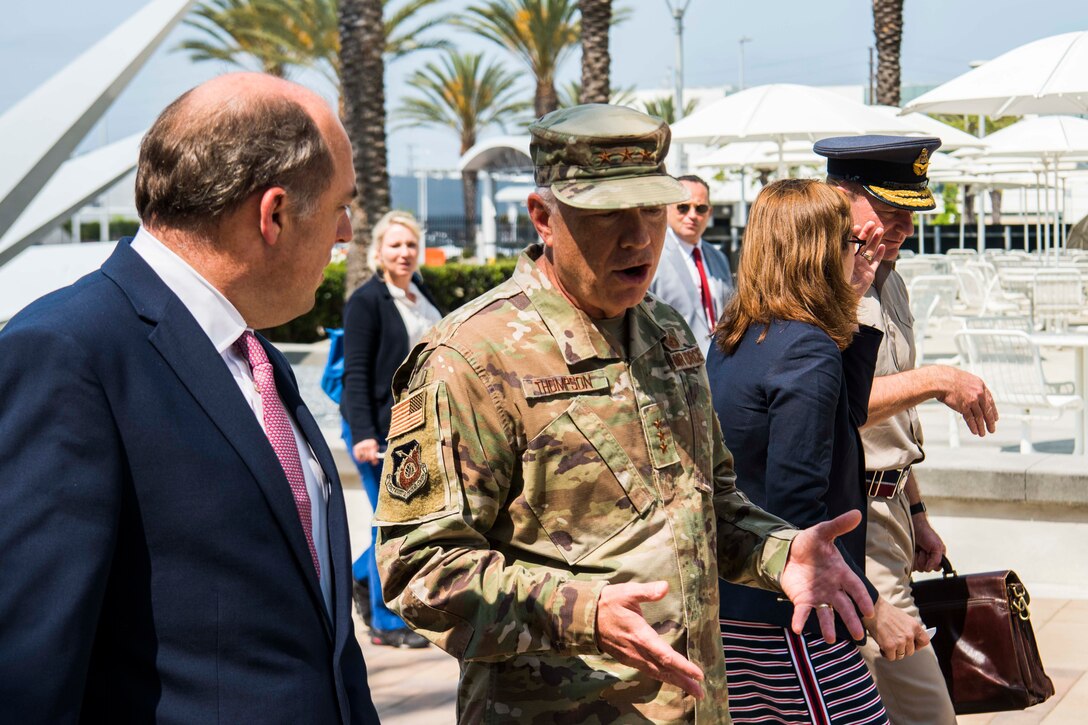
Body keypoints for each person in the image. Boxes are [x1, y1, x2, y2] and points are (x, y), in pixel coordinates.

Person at [373, 103, 877, 723]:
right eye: (608, 214)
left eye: (651, 210)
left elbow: (709, 505)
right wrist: (583, 613)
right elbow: (417, 567)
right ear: (544, 218)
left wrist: (780, 552)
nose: (638, 237)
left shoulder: (667, 336)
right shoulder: (471, 357)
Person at [0, 73, 379, 723]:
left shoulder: (254, 357)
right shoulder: (68, 351)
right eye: (342, 205)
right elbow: (27, 672)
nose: (346, 231)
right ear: (275, 214)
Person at [709, 179, 932, 723]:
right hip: (796, 614)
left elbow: (845, 414)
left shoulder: (742, 334)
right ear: (817, 250)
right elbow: (796, 512)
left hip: (740, 602)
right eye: (849, 241)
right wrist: (876, 612)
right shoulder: (806, 349)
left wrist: (851, 296)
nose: (862, 252)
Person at [816, 134, 1000, 725]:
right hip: (849, 516)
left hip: (887, 510)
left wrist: (916, 512)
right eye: (888, 211)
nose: (902, 228)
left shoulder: (887, 278)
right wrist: (937, 378)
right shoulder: (824, 282)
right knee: (925, 710)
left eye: (910, 215)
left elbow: (896, 410)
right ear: (840, 197)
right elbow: (838, 404)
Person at [341, 210, 441, 649]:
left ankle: (362, 577)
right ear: (378, 252)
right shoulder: (366, 302)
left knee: (406, 520)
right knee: (390, 525)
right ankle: (384, 623)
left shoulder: (423, 293)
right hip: (378, 431)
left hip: (416, 428)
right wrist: (363, 434)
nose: (404, 253)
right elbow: (356, 374)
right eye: (395, 245)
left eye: (410, 245)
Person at [649, 174, 734, 354]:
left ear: (709, 213)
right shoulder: (652, 256)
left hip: (719, 362)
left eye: (700, 208)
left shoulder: (719, 258)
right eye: (683, 207)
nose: (692, 215)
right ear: (667, 209)